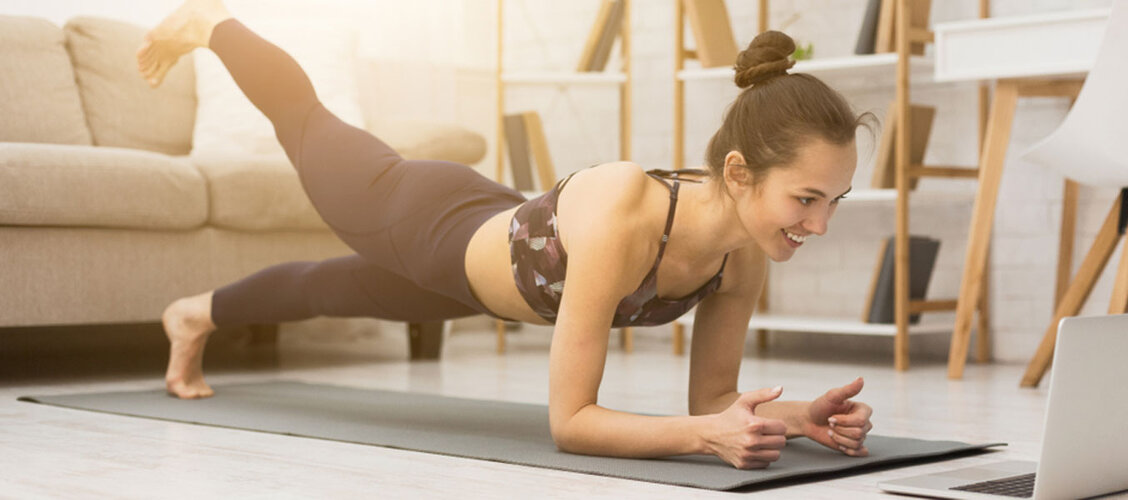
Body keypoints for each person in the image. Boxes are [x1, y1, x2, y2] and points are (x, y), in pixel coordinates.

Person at [138, 0, 875, 470]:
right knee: (306, 121)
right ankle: (210, 23)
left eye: (834, 200)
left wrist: (799, 419)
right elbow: (572, 422)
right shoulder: (630, 210)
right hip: (421, 216)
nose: (819, 224)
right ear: (741, 173)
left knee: (330, 287)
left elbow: (713, 395)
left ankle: (192, 312)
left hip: (485, 241)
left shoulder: (740, 257)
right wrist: (700, 436)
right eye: (806, 198)